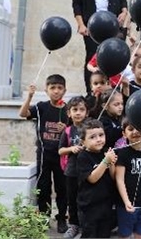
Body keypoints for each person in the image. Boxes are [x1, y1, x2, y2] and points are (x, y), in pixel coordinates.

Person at [72, 0, 129, 95]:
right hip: (92, 26)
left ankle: (112, 90)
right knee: (92, 57)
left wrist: (124, 11)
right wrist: (81, 24)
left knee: (112, 55)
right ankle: (91, 92)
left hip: (112, 25)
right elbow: (76, 4)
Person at [18, 74, 69, 233]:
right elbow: (23, 113)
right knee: (44, 187)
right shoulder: (41, 107)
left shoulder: (69, 110)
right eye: (52, 88)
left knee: (62, 188)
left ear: (64, 90)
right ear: (46, 90)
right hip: (44, 156)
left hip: (62, 157)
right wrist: (29, 96)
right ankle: (44, 217)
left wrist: (65, 128)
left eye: (59, 88)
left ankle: (61, 218)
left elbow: (76, 130)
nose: (56, 91)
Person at [115, 118, 141, 239]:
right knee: (125, 235)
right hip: (126, 206)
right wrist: (126, 201)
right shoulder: (123, 153)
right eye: (130, 129)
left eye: (139, 128)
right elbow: (119, 179)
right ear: (124, 133)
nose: (135, 132)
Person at [76, 119, 117, 238]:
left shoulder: (105, 153)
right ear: (83, 142)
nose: (98, 139)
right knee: (90, 234)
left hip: (106, 204)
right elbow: (92, 178)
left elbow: (113, 176)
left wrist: (112, 162)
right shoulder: (83, 157)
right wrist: (105, 161)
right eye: (93, 137)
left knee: (104, 234)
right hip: (89, 206)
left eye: (101, 135)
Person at [58, 96, 89, 239]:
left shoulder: (90, 129)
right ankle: (74, 225)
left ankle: (85, 225)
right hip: (71, 172)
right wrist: (72, 149)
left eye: (82, 110)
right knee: (73, 199)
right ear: (69, 113)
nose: (78, 113)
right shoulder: (68, 131)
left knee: (86, 198)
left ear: (87, 113)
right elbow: (60, 150)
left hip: (87, 172)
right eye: (75, 109)